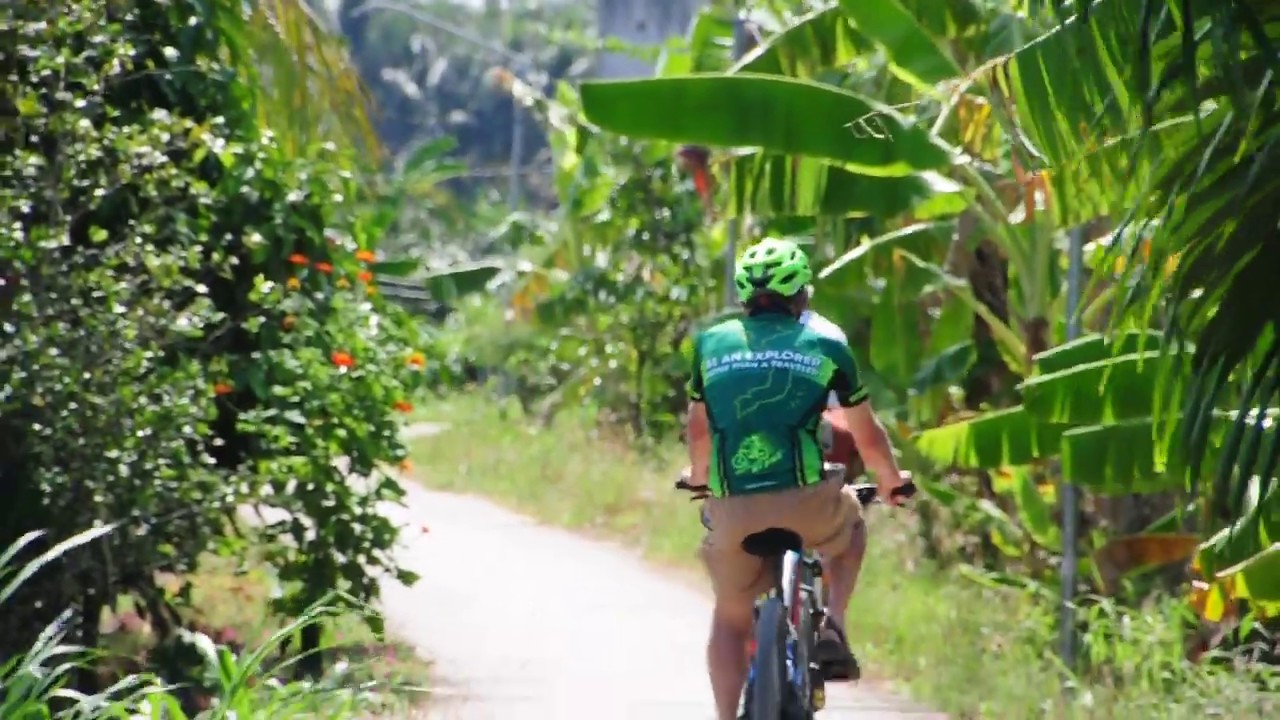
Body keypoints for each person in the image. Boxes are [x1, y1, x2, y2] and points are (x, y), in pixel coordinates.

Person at [682, 237, 910, 720]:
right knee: (850, 528)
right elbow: (866, 434)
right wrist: (892, 481)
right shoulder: (826, 342)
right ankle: (834, 623)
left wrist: (699, 478)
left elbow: (699, 430)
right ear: (802, 295)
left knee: (730, 617)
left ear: (745, 296)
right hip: (807, 501)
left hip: (733, 508)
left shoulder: (712, 343)